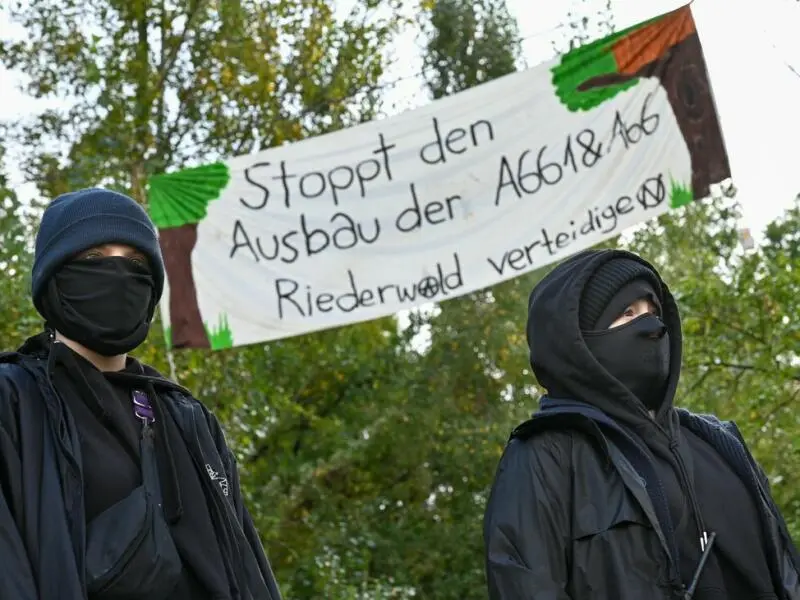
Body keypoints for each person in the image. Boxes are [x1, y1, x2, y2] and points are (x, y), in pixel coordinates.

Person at [0, 188, 282, 600]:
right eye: (94, 258)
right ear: (52, 275)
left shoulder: (189, 418)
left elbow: (245, 569)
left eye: (135, 262)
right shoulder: (13, 401)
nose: (118, 274)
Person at [483, 248, 800, 600]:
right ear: (579, 340)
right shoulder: (545, 459)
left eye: (654, 312)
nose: (652, 326)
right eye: (628, 313)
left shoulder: (721, 442)